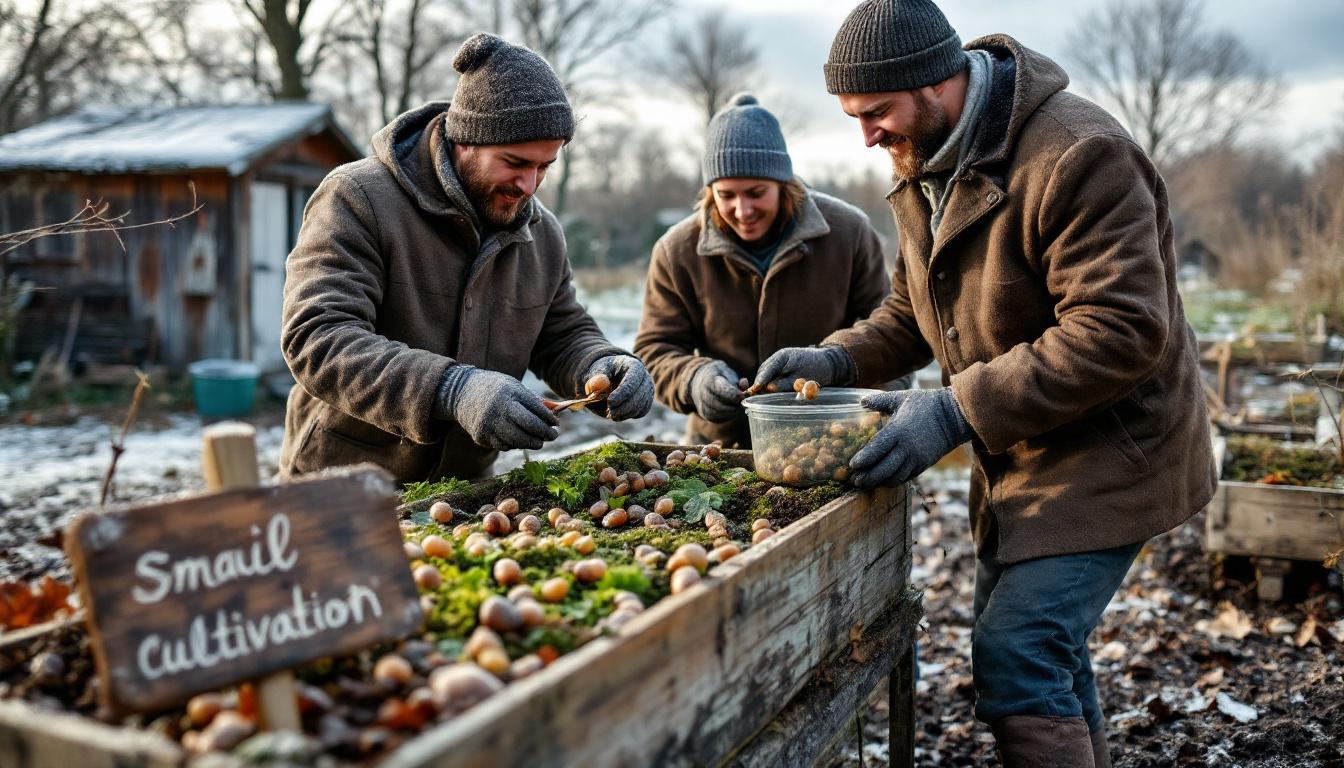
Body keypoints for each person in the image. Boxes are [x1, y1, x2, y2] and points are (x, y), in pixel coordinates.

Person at [753, 1, 1216, 765]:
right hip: (1020, 455)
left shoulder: (1078, 154)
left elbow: (1122, 327)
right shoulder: (921, 165)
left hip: (1111, 453)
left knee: (1019, 655)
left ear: (939, 83)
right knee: (1044, 658)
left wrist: (955, 409)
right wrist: (833, 359)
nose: (866, 135)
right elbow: (913, 310)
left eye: (877, 113)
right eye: (853, 116)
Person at [279, 32, 652, 484]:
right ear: (465, 142)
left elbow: (560, 332)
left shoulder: (543, 233)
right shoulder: (358, 199)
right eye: (514, 162)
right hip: (343, 484)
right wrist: (451, 389)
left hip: (465, 494)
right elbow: (318, 339)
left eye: (544, 167)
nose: (529, 186)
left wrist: (601, 364)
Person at [635, 93, 890, 447]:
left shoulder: (848, 233)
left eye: (756, 193)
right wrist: (693, 379)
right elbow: (654, 349)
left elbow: (890, 335)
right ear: (710, 191)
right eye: (726, 195)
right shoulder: (676, 251)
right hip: (721, 451)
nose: (742, 210)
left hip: (831, 441)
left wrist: (870, 416)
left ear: (783, 183)